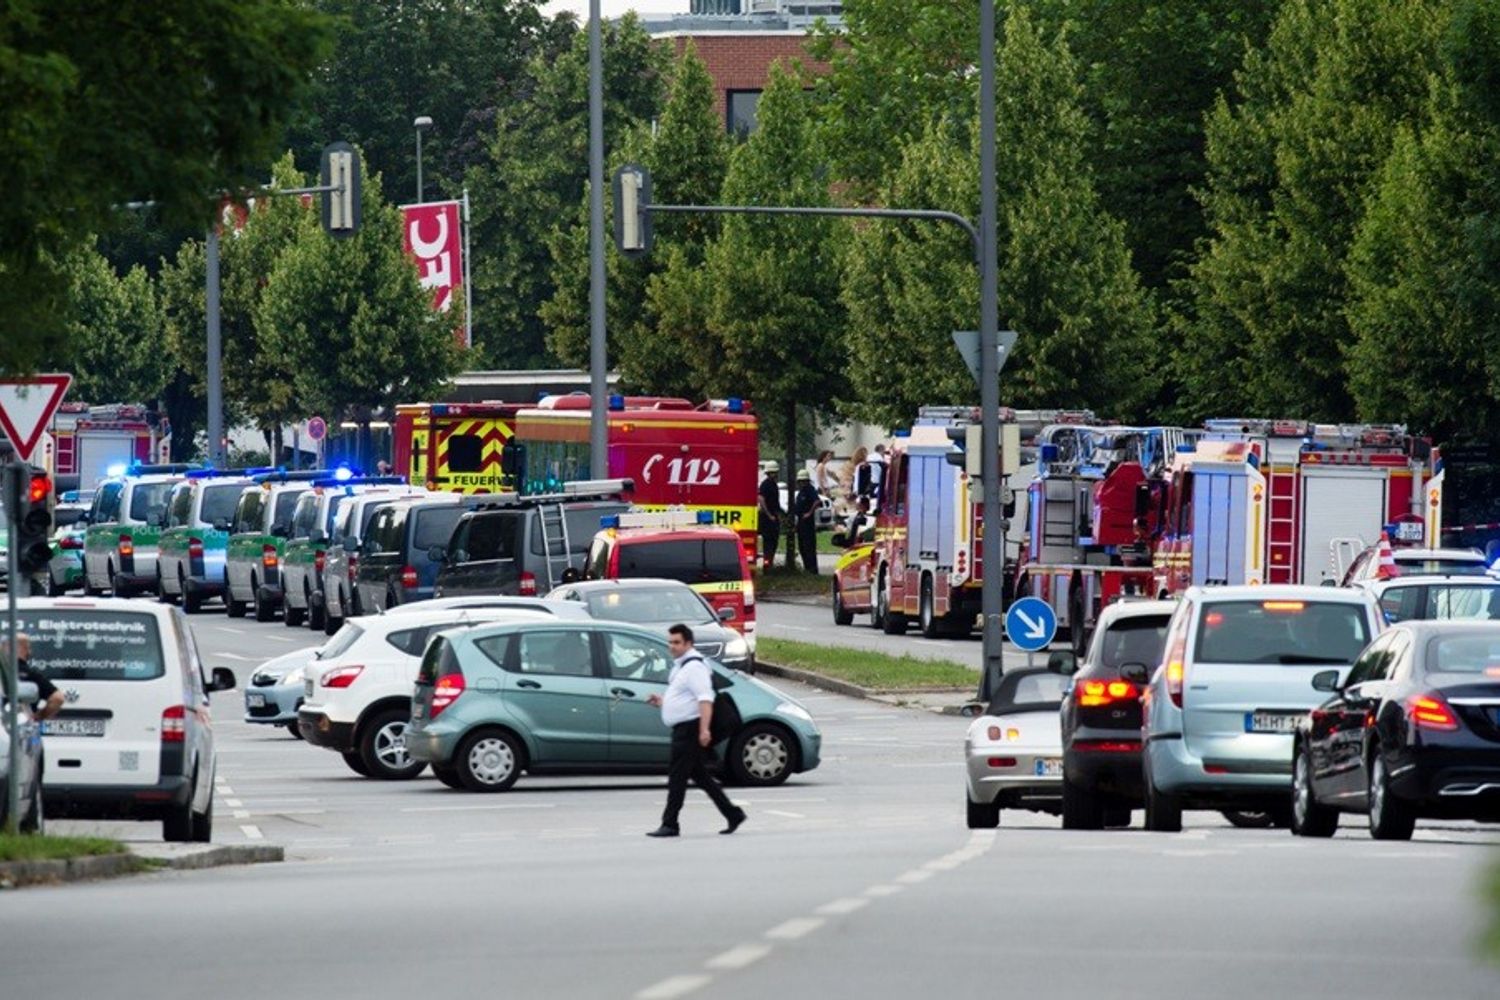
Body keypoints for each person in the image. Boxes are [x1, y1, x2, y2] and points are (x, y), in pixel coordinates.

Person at [644, 625, 746, 838]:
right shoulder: (681, 666)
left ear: (688, 643)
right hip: (683, 728)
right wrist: (663, 702)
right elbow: (685, 698)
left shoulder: (694, 667)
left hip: (690, 729)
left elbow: (705, 699)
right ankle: (733, 814)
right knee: (700, 776)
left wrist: (704, 730)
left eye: (677, 642)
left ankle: (670, 823)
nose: (672, 646)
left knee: (677, 777)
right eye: (670, 642)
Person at [1, 634, 65, 721]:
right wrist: (38, 716)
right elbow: (58, 698)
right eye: (29, 647)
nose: (30, 651)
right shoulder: (30, 675)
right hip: (21, 729)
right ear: (23, 649)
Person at [793, 468, 821, 574]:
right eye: (799, 481)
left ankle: (812, 569)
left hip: (808, 524)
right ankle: (807, 568)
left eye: (802, 481)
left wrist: (809, 513)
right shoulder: (801, 492)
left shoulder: (810, 490)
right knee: (802, 547)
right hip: (801, 523)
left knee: (809, 547)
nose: (800, 483)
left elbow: (817, 501)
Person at [757, 463, 784, 570]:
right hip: (768, 520)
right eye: (774, 472)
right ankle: (767, 567)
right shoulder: (766, 484)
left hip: (773, 518)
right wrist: (769, 515)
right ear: (769, 473)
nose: (776, 474)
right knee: (769, 544)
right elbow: (761, 499)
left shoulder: (773, 484)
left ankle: (769, 565)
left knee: (773, 543)